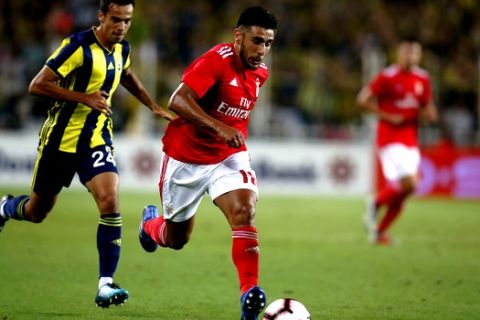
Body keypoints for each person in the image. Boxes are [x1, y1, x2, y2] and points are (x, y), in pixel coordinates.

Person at [0, 0, 172, 308]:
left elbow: (127, 75)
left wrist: (152, 105)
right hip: (59, 140)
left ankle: (106, 284)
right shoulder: (77, 46)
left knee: (110, 200)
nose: (121, 27)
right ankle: (5, 207)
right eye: (116, 19)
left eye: (127, 21)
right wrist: (84, 98)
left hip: (96, 138)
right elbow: (37, 84)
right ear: (101, 16)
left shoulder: (123, 49)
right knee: (37, 212)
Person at [138, 6, 277, 320]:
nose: (262, 50)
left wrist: (230, 135)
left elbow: (236, 115)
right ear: (238, 36)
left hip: (227, 155)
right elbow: (178, 100)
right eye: (257, 41)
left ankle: (249, 294)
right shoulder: (216, 60)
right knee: (176, 240)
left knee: (245, 211)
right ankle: (149, 226)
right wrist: (218, 128)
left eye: (268, 43)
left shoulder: (261, 73)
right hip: (185, 158)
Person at [357, 38, 438, 245]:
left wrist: (429, 113)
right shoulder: (387, 76)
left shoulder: (423, 78)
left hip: (411, 139)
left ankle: (379, 231)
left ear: (419, 56)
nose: (410, 56)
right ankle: (375, 202)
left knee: (409, 188)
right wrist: (387, 116)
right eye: (407, 52)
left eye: (414, 53)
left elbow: (426, 104)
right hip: (390, 138)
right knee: (409, 182)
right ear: (399, 54)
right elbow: (362, 100)